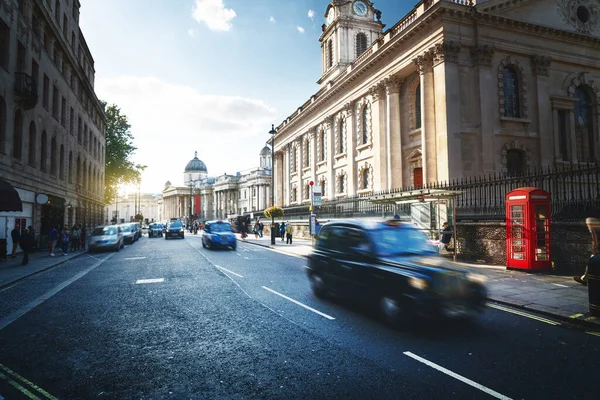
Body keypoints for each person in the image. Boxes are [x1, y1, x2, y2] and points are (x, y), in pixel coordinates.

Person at [574, 217, 600, 286]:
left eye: (588, 224)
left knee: (590, 263)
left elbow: (597, 244)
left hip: (597, 252)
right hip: (597, 252)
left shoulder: (596, 231)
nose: (587, 226)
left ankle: (585, 279)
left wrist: (596, 251)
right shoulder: (595, 231)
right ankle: (585, 279)